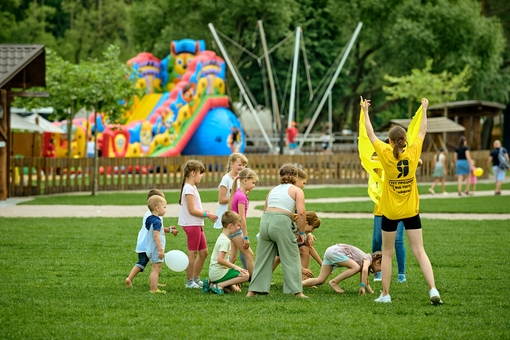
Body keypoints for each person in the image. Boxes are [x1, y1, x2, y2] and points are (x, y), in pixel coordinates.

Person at [361, 96, 442, 304]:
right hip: (411, 211)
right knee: (419, 251)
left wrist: (366, 112)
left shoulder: (386, 153)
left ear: (390, 140)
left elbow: (370, 134)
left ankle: (385, 295)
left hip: (390, 212)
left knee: (387, 254)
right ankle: (433, 289)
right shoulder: (413, 152)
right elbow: (423, 131)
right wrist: (424, 109)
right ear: (404, 139)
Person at [247, 164, 308, 298]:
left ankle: (253, 291)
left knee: (262, 258)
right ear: (296, 177)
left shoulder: (272, 190)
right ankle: (297, 291)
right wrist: (302, 233)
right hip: (281, 222)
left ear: (280, 177)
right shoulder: (297, 190)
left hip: (265, 221)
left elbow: (265, 210)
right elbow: (302, 213)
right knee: (291, 256)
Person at [125, 189, 177, 288]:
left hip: (145, 243)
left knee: (148, 264)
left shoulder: (151, 215)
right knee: (149, 265)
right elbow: (156, 232)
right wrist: (160, 249)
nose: (165, 208)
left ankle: (153, 282)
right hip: (148, 244)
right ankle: (130, 278)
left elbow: (158, 229)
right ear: (157, 206)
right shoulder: (155, 216)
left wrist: (169, 230)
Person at [178, 160, 218, 289]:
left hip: (196, 223)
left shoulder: (192, 187)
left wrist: (203, 211)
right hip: (191, 224)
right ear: (192, 173)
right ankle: (189, 282)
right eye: (201, 173)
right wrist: (207, 215)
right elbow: (191, 210)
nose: (202, 176)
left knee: (204, 252)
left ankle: (195, 278)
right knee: (192, 253)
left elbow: (195, 208)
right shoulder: (188, 188)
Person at [302, 245, 382, 294]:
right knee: (356, 267)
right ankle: (334, 282)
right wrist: (362, 287)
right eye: (382, 268)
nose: (381, 271)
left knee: (320, 280)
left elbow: (364, 280)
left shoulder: (366, 264)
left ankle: (296, 285)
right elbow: (364, 271)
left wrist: (370, 292)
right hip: (336, 251)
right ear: (378, 262)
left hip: (330, 251)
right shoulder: (368, 260)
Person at [203, 211, 250, 295]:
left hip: (217, 273)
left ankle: (211, 283)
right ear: (231, 226)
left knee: (237, 290)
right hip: (218, 273)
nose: (240, 228)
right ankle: (219, 285)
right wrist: (236, 268)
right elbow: (220, 260)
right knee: (246, 275)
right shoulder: (225, 241)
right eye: (238, 225)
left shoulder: (223, 237)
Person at [228, 168, 258, 276]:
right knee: (250, 255)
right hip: (237, 229)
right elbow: (242, 218)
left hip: (232, 229)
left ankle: (219, 278)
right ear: (245, 181)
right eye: (253, 182)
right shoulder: (241, 196)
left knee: (232, 257)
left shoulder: (238, 193)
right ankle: (255, 281)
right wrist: (245, 237)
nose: (254, 185)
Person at [372, 201, 406, 283]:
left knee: (398, 240)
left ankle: (401, 274)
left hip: (399, 209)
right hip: (381, 209)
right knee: (377, 240)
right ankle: (378, 270)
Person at [213, 153, 248, 230]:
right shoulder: (226, 179)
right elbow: (221, 200)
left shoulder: (240, 179)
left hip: (236, 212)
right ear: (231, 164)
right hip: (227, 214)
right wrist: (236, 197)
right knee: (228, 238)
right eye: (239, 165)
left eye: (243, 165)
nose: (242, 167)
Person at [145, 195, 168, 293]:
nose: (165, 210)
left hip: (149, 248)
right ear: (157, 208)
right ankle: (153, 289)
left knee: (154, 268)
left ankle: (154, 284)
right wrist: (160, 249)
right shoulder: (157, 221)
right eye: (164, 207)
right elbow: (156, 236)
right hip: (155, 249)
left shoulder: (149, 219)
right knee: (156, 269)